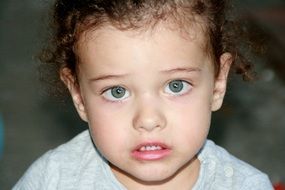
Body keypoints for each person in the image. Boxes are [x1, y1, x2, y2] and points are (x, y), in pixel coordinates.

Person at [13, 0, 273, 189]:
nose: (148, 120)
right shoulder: (52, 179)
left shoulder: (246, 185)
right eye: (117, 92)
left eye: (176, 85)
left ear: (218, 84)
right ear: (78, 95)